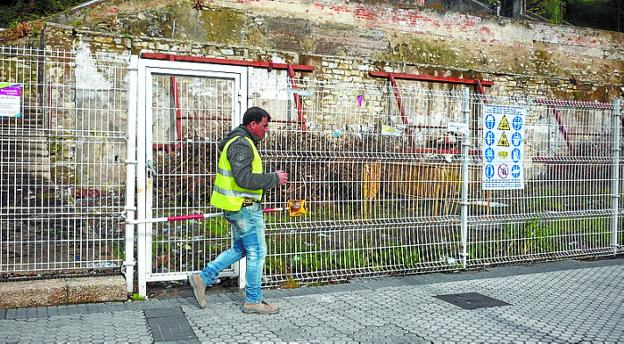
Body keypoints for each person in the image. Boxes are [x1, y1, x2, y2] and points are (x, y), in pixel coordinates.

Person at [187, 106, 288, 314]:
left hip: (237, 206)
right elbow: (244, 179)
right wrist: (273, 178)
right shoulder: (242, 144)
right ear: (253, 125)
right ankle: (253, 301)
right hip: (244, 208)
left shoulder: (239, 141)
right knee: (258, 252)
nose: (266, 130)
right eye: (264, 125)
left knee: (242, 249)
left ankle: (202, 277)